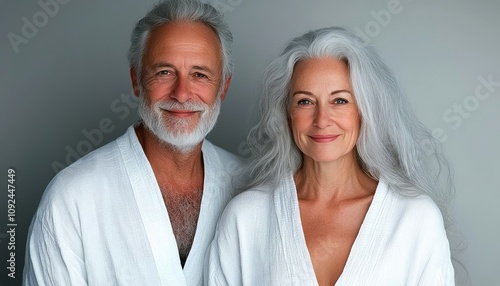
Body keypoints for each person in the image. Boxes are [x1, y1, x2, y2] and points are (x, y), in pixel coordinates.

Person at [205, 26, 458, 285]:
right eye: (305, 101)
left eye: (340, 101)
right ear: (286, 113)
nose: (322, 120)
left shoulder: (415, 217)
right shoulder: (246, 217)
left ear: (364, 110)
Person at [23, 0, 242, 285]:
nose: (182, 93)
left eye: (199, 75)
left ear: (223, 87)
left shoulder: (248, 185)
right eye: (164, 72)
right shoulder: (72, 198)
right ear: (136, 80)